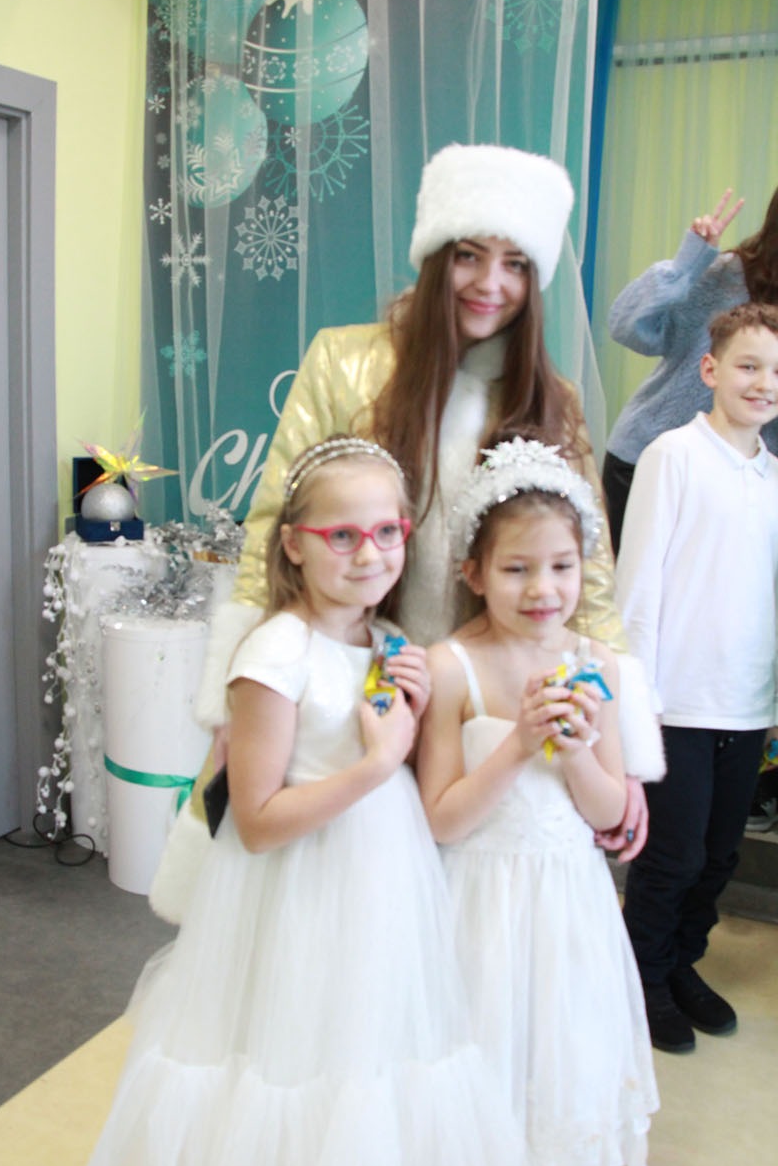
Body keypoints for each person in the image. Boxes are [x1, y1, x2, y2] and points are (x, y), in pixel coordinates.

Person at [151, 143, 663, 926]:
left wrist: (624, 755)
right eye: (469, 255)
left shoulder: (549, 397)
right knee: (339, 921)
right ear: (435, 256)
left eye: (515, 264)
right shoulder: (346, 363)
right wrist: (236, 704)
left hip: (482, 700)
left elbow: (584, 573)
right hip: (357, 688)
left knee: (462, 931)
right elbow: (274, 526)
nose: (490, 284)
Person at [79, 435, 526, 1166]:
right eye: (342, 535)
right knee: (286, 1062)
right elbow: (256, 819)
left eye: (387, 532)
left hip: (381, 884)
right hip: (299, 891)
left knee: (353, 1054)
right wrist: (376, 765)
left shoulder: (382, 640)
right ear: (293, 543)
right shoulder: (275, 654)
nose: (370, 553)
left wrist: (407, 715)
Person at [417, 437, 659, 1166]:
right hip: (474, 907)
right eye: (517, 569)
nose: (543, 589)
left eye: (561, 566)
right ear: (475, 572)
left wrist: (579, 752)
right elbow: (441, 819)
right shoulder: (452, 667)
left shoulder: (598, 665)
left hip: (566, 909)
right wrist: (519, 744)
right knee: (475, 1077)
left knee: (545, 1078)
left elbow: (608, 812)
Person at [615, 302, 778, 1055]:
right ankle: (641, 977)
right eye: (749, 365)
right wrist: (635, 703)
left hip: (746, 705)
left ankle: (681, 962)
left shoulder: (772, 476)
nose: (764, 382)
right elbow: (638, 586)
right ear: (710, 370)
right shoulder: (672, 456)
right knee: (672, 857)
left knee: (717, 857)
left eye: (776, 372)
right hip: (674, 702)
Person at [604, 185, 778, 552]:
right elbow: (629, 327)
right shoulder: (730, 276)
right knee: (631, 579)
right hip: (648, 458)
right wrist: (686, 263)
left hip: (738, 482)